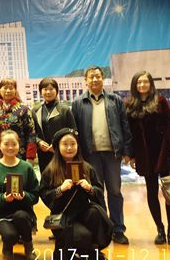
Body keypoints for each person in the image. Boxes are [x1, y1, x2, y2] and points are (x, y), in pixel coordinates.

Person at [71, 66, 133, 245]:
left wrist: (127, 151)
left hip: (113, 154)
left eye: (98, 76)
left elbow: (125, 125)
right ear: (86, 81)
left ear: (103, 78)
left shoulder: (114, 100)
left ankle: (118, 229)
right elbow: (75, 130)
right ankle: (103, 229)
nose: (95, 80)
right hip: (90, 155)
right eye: (91, 77)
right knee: (96, 193)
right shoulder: (78, 103)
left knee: (115, 191)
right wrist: (77, 155)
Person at [125, 71, 170, 245]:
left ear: (150, 84)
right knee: (151, 192)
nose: (142, 85)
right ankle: (160, 229)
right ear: (134, 85)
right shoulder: (130, 105)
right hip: (144, 155)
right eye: (139, 82)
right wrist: (132, 156)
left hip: (164, 153)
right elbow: (129, 133)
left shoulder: (160, 101)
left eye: (145, 82)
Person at [39, 129, 112, 260]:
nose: (69, 148)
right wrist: (60, 190)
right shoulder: (50, 170)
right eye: (65, 144)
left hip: (83, 212)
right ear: (57, 147)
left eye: (73, 144)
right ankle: (79, 253)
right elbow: (44, 194)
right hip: (63, 216)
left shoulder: (87, 167)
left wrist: (89, 188)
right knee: (83, 236)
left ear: (78, 146)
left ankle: (92, 251)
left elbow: (99, 191)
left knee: (96, 213)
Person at [0, 130, 39, 260]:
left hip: (24, 213)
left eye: (14, 144)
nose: (10, 147)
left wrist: (24, 196)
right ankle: (7, 248)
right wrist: (3, 198)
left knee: (20, 216)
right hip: (2, 215)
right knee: (10, 235)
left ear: (19, 145)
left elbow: (35, 196)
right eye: (6, 144)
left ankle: (29, 246)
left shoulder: (27, 167)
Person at [33, 77, 77, 173]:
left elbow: (73, 131)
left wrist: (57, 143)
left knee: (63, 177)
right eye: (45, 89)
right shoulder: (35, 110)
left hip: (62, 151)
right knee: (46, 177)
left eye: (51, 89)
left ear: (56, 91)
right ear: (40, 92)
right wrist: (39, 142)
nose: (48, 92)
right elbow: (32, 132)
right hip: (43, 153)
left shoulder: (65, 109)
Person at [0, 78, 36, 162]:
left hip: (20, 156)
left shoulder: (23, 109)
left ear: (15, 91)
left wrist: (30, 157)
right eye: (5, 88)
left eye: (11, 88)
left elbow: (31, 134)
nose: (8, 91)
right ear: (0, 90)